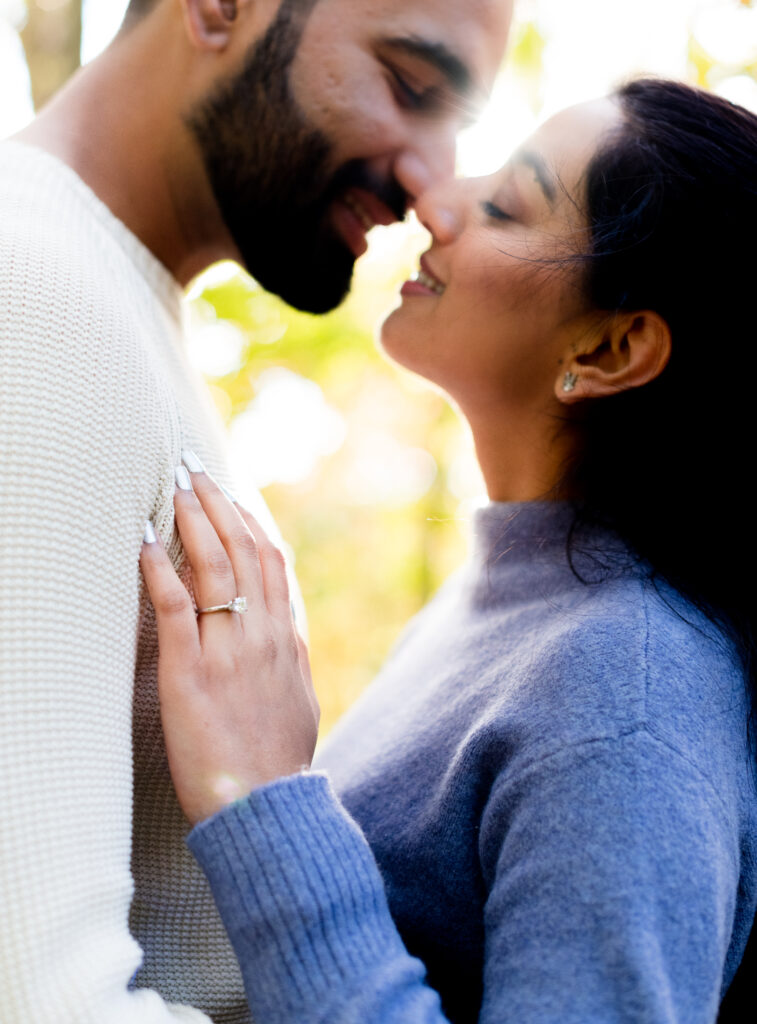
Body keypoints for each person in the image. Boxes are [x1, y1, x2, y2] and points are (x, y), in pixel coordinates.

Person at [141, 78, 757, 1023]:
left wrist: (263, 795)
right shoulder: (507, 600)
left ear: (609, 349)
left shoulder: (627, 701)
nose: (436, 202)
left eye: (507, 204)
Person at [0, 0, 512, 1020]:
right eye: (411, 86)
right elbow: (44, 998)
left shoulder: (111, 302)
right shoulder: (39, 296)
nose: (431, 179)